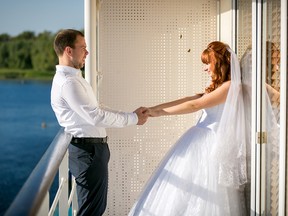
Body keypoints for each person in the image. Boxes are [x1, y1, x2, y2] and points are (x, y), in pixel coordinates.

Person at [129, 41, 249, 215]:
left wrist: (160, 113)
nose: (205, 68)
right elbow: (187, 99)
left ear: (220, 63)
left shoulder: (230, 87)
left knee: (203, 194)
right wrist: (152, 109)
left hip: (211, 146)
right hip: (200, 142)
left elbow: (195, 105)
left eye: (208, 63)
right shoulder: (217, 87)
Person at [51, 29, 148, 216]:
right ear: (69, 51)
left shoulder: (74, 79)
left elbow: (97, 108)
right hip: (88, 153)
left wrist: (131, 114)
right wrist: (133, 119)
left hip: (92, 151)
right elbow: (95, 116)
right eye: (83, 48)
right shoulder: (68, 83)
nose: (87, 52)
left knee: (95, 208)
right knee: (91, 211)